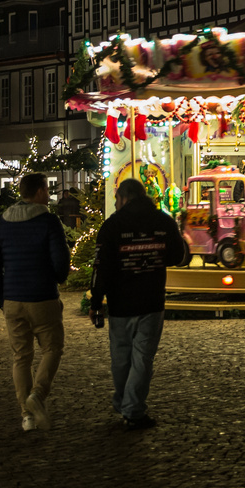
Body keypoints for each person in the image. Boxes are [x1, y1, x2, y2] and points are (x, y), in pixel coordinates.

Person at [90, 176, 189, 431]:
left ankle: (126, 402)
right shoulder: (163, 221)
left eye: (116, 199)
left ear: (123, 197)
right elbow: (178, 256)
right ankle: (131, 407)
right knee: (143, 358)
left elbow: (101, 266)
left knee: (121, 357)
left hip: (120, 301)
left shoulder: (113, 225)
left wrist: (97, 299)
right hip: (151, 300)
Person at [0, 173, 70, 432]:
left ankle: (27, 417)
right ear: (40, 192)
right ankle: (38, 395)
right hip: (42, 296)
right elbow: (60, 260)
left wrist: (2, 297)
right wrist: (58, 278)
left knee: (21, 357)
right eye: (47, 189)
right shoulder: (48, 221)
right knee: (52, 349)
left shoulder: (2, 223)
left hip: (13, 299)